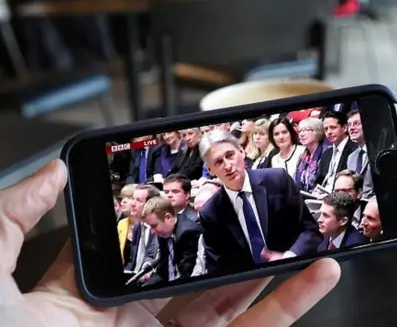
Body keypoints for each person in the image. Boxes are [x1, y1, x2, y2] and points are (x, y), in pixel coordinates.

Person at [1, 159, 341, 326]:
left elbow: (186, 270)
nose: (136, 217)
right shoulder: (173, 224)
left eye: (150, 221)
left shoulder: (190, 229)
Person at [199, 130, 322, 276]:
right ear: (210, 170)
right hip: (251, 288)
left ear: (241, 152)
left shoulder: (277, 180)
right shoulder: (210, 212)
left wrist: (288, 258)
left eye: (230, 155)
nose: (227, 165)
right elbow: (218, 267)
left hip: (295, 272)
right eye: (218, 162)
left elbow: (310, 230)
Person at [142, 197, 202, 285]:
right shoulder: (164, 234)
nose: (152, 231)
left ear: (168, 217)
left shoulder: (188, 233)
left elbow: (187, 274)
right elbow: (163, 271)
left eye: (154, 226)